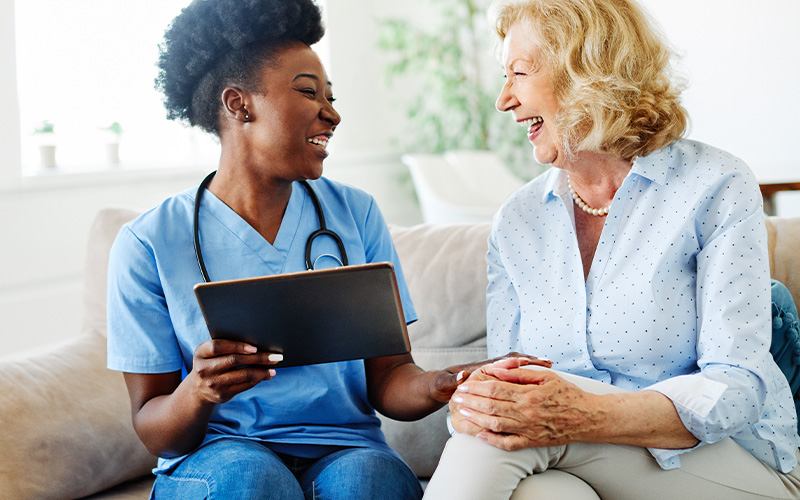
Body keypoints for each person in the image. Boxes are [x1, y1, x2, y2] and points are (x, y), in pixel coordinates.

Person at [105, 1, 548, 499]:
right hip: (217, 456)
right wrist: (198, 392)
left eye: (331, 97)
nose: (332, 113)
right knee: (253, 479)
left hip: (344, 449)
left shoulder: (354, 214)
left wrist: (447, 381)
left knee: (371, 481)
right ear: (238, 104)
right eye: (308, 92)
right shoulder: (148, 242)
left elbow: (390, 379)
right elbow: (153, 427)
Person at [422, 0, 800, 499]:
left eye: (518, 72)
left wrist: (580, 413)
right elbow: (511, 381)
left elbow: (735, 388)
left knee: (496, 448)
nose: (504, 100)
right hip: (581, 464)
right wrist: (481, 403)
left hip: (727, 464)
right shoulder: (517, 221)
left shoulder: (713, 184)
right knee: (541, 494)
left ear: (587, 71)